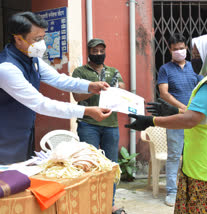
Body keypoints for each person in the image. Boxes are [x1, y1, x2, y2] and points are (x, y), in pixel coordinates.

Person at [0, 12, 112, 169]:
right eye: (37, 39)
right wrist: (86, 111)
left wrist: (90, 85)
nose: (42, 44)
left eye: (43, 38)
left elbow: (58, 79)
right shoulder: (6, 68)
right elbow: (40, 104)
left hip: (20, 140)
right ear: (18, 39)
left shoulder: (32, 59)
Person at [126, 32, 207, 213]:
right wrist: (175, 111)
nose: (194, 58)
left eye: (198, 54)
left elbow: (192, 119)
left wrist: (151, 121)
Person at [72, 38, 126, 214]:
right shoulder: (80, 71)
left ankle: (109, 203)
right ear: (89, 52)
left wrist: (115, 91)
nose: (98, 54)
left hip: (111, 125)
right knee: (90, 165)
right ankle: (90, 202)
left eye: (101, 51)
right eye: (94, 51)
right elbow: (76, 97)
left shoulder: (113, 72)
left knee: (111, 166)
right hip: (88, 124)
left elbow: (123, 93)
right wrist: (93, 88)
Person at [156, 34, 203, 206]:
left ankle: (193, 189)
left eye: (181, 48)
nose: (179, 51)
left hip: (195, 118)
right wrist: (183, 108)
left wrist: (193, 109)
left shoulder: (195, 67)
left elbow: (202, 88)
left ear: (186, 48)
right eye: (175, 49)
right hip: (175, 118)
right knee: (174, 155)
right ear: (170, 49)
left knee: (195, 154)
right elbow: (164, 93)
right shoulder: (165, 69)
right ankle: (171, 192)